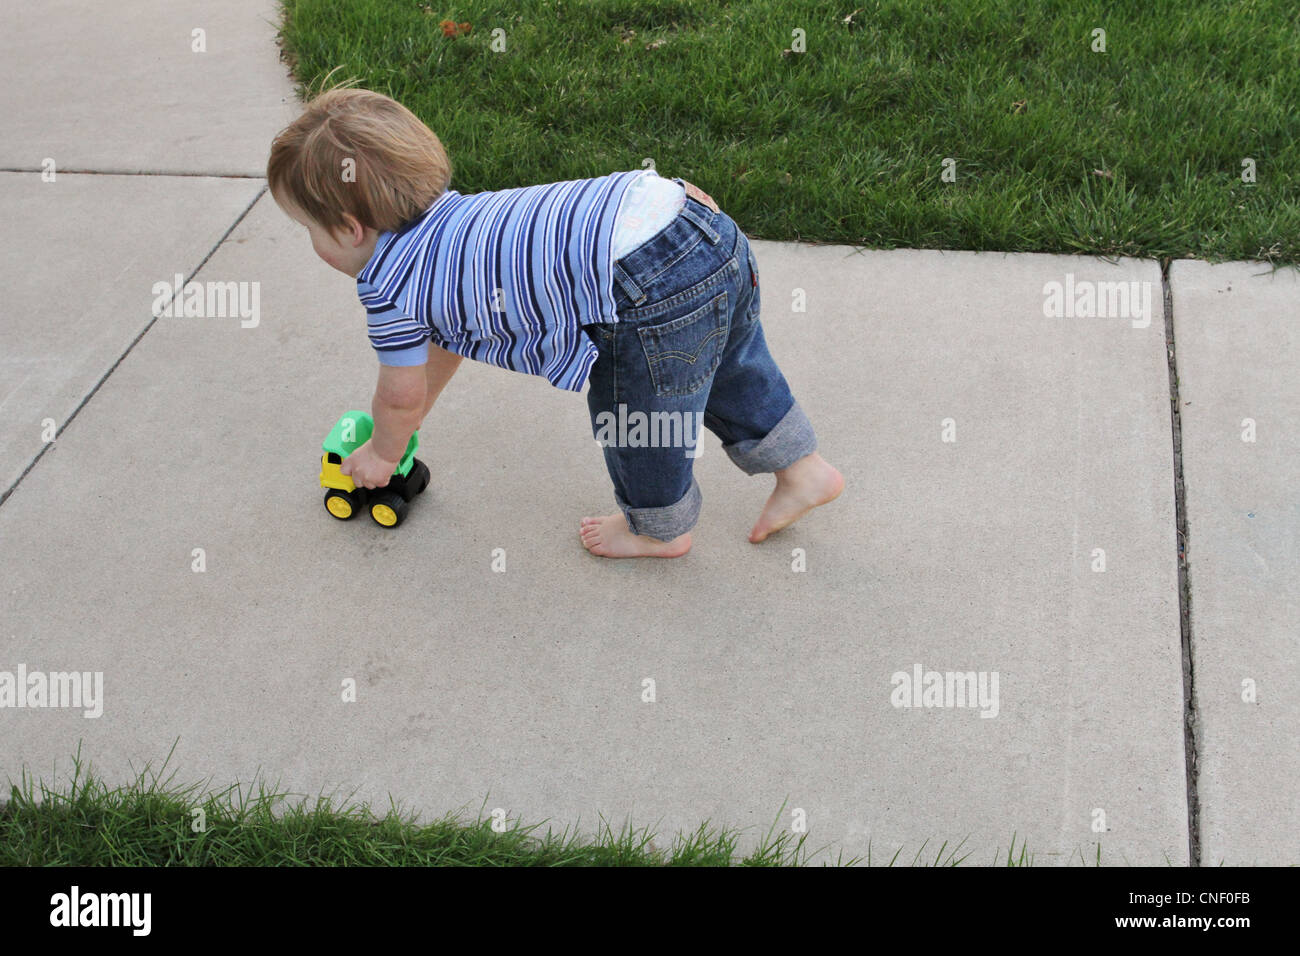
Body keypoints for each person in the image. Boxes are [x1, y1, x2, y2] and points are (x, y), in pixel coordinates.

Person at [267, 87, 842, 558]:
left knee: (637, 416)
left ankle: (657, 529)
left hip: (641, 285)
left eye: (308, 230)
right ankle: (801, 469)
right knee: (727, 364)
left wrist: (383, 455)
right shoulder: (454, 224)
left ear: (347, 229)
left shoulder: (390, 288)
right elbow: (442, 342)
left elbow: (398, 394)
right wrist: (416, 414)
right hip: (694, 219)